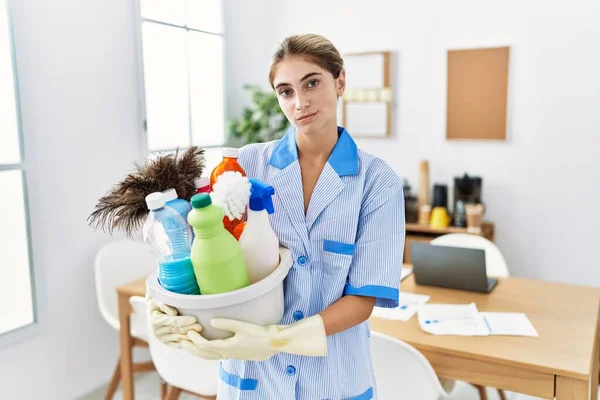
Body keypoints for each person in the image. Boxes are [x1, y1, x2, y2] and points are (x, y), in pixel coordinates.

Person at [148, 33, 405, 399]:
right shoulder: (245, 165)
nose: (300, 102)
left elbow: (362, 300)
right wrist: (158, 304)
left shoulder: (377, 183)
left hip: (333, 380)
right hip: (252, 380)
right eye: (286, 91)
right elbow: (188, 242)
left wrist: (276, 338)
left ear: (340, 81)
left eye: (312, 83)